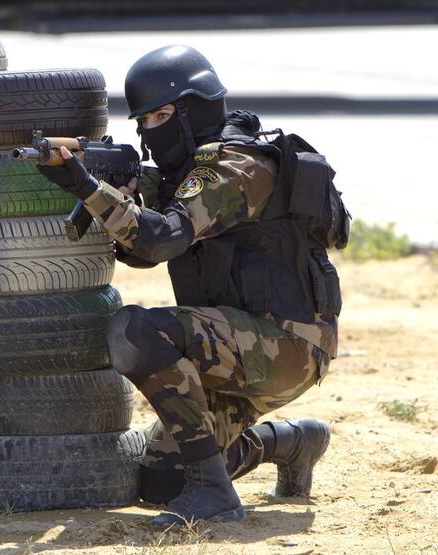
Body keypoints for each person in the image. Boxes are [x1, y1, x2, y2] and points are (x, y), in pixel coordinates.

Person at [37, 45, 345, 525]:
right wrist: (116, 196)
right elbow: (144, 253)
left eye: (160, 116)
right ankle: (291, 442)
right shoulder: (189, 174)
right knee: (161, 483)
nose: (149, 131)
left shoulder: (233, 166)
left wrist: (89, 189)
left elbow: (162, 239)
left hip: (287, 344)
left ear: (191, 108)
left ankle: (216, 495)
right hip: (235, 349)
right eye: (143, 122)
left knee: (136, 330)